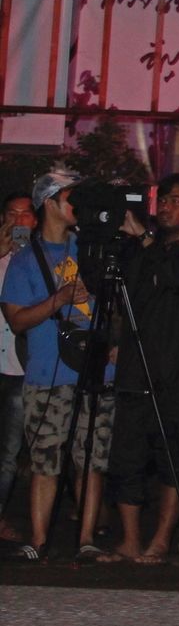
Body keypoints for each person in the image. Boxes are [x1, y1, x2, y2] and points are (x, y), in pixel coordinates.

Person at [0, 169, 115, 561]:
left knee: (92, 460)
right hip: (49, 371)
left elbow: (118, 303)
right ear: (49, 203)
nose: (79, 206)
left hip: (95, 369)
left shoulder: (93, 248)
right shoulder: (25, 260)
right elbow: (17, 320)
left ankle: (87, 539)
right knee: (45, 460)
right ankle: (38, 540)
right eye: (70, 198)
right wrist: (59, 299)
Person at [102, 173, 179, 564]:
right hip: (136, 366)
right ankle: (130, 540)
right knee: (126, 455)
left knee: (175, 457)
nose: (165, 207)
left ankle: (161, 540)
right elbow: (121, 296)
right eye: (162, 200)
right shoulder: (139, 249)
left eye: (175, 201)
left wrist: (145, 242)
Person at [0, 189, 37, 541]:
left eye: (25, 214)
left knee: (8, 451)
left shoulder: (38, 259)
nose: (18, 221)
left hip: (17, 365)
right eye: (12, 213)